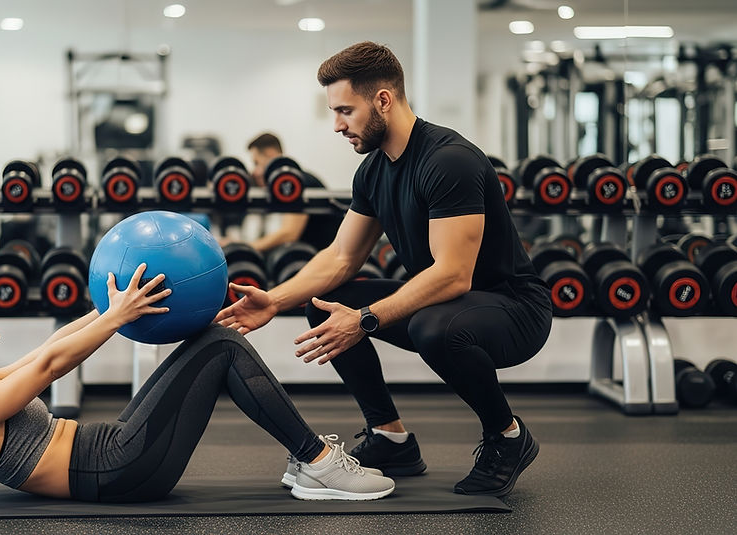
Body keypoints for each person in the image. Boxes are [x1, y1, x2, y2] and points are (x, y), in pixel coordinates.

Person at [215, 42, 552, 497]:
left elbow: (454, 275)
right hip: (449, 303)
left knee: (434, 327)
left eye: (345, 111)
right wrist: (274, 299)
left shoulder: (448, 160)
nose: (337, 125)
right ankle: (391, 438)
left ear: (383, 100)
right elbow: (340, 258)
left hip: (514, 310)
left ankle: (507, 435)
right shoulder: (374, 171)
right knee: (325, 307)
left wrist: (366, 319)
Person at [0, 268, 394, 503]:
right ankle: (317, 464)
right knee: (220, 346)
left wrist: (109, 306)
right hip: (116, 470)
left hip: (110, 450)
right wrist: (116, 320)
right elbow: (48, 371)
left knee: (215, 338)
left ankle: (308, 460)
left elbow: (47, 348)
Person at [220, 133, 341, 253]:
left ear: (270, 154)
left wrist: (242, 247)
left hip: (327, 256)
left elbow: (289, 233)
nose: (254, 171)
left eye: (256, 163)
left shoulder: (296, 182)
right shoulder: (282, 186)